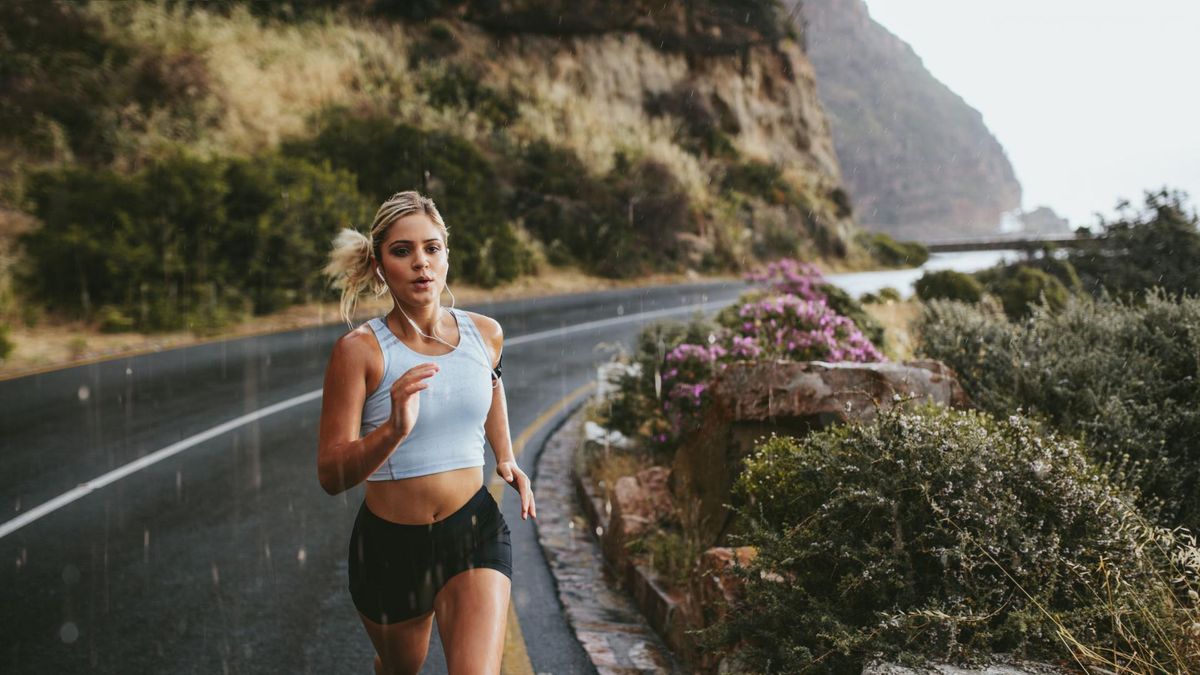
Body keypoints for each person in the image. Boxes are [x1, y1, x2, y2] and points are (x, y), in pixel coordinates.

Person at [317, 190, 535, 675]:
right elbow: (331, 474)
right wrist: (393, 430)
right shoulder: (359, 352)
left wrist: (505, 455)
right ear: (379, 265)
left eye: (432, 248)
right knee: (402, 669)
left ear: (446, 256)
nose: (421, 263)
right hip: (389, 549)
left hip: (472, 530)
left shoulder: (485, 333)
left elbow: (491, 384)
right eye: (403, 251)